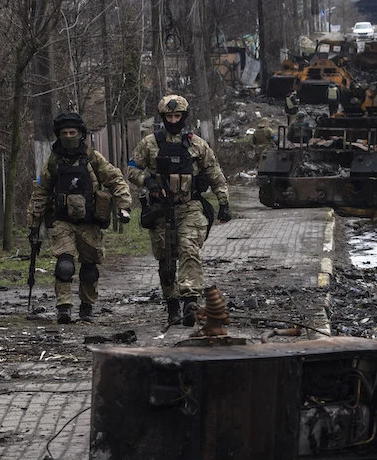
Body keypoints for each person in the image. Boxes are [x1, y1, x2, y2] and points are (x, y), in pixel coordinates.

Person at [127, 94, 233, 328]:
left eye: (177, 116)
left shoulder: (197, 144)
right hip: (160, 210)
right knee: (166, 261)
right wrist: (148, 182)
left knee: (189, 250)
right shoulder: (149, 144)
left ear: (184, 117)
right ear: (163, 118)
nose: (173, 120)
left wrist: (223, 202)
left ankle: (190, 301)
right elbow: (131, 169)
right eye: (169, 116)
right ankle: (172, 305)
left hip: (190, 207)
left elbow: (215, 172)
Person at [27, 111, 131, 324]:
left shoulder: (93, 158)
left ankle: (87, 306)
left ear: (80, 133)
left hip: (90, 222)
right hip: (62, 221)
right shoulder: (53, 162)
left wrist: (124, 206)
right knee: (64, 265)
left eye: (72, 132)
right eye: (64, 132)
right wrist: (34, 223)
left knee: (89, 270)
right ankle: (64, 307)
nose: (68, 136)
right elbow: (41, 192)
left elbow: (115, 179)